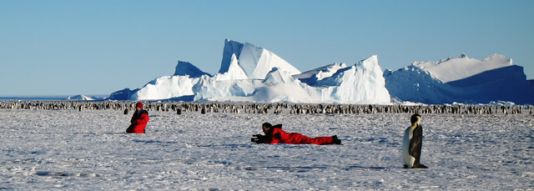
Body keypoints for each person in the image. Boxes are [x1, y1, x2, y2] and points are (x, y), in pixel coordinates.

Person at [251, 122, 341, 145]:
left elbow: (273, 141)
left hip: (296, 139)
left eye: (264, 129)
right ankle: (331, 139)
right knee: (314, 140)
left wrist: (262, 140)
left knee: (314, 141)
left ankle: (332, 139)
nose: (263, 131)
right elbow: (272, 138)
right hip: (295, 137)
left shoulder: (274, 131)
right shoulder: (273, 131)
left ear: (268, 128)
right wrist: (262, 137)